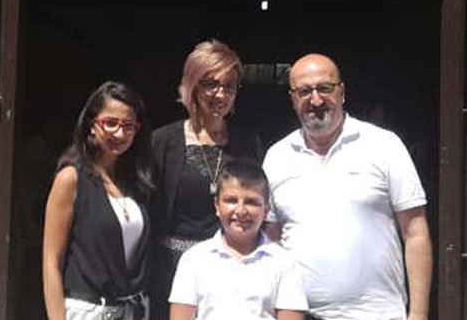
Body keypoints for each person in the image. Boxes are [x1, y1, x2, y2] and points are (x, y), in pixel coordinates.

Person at [262, 54, 433, 320]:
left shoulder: (384, 145)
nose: (315, 100)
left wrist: (418, 315)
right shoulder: (277, 157)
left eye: (325, 88)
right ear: (292, 99)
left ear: (342, 92)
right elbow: (270, 239)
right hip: (300, 314)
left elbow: (415, 232)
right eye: (304, 91)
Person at [150, 40, 263, 319]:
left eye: (229, 86)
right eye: (211, 84)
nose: (220, 94)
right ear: (192, 86)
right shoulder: (162, 141)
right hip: (173, 268)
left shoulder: (249, 142)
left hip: (231, 267)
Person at [43, 81, 154, 320]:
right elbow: (51, 261)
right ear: (91, 125)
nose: (120, 134)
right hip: (89, 310)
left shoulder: (135, 182)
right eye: (110, 123)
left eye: (128, 126)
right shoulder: (71, 178)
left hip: (132, 310)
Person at [168, 158, 308, 320]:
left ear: (266, 210)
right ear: (217, 206)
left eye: (251, 202)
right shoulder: (194, 259)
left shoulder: (284, 263)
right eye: (231, 200)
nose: (241, 211)